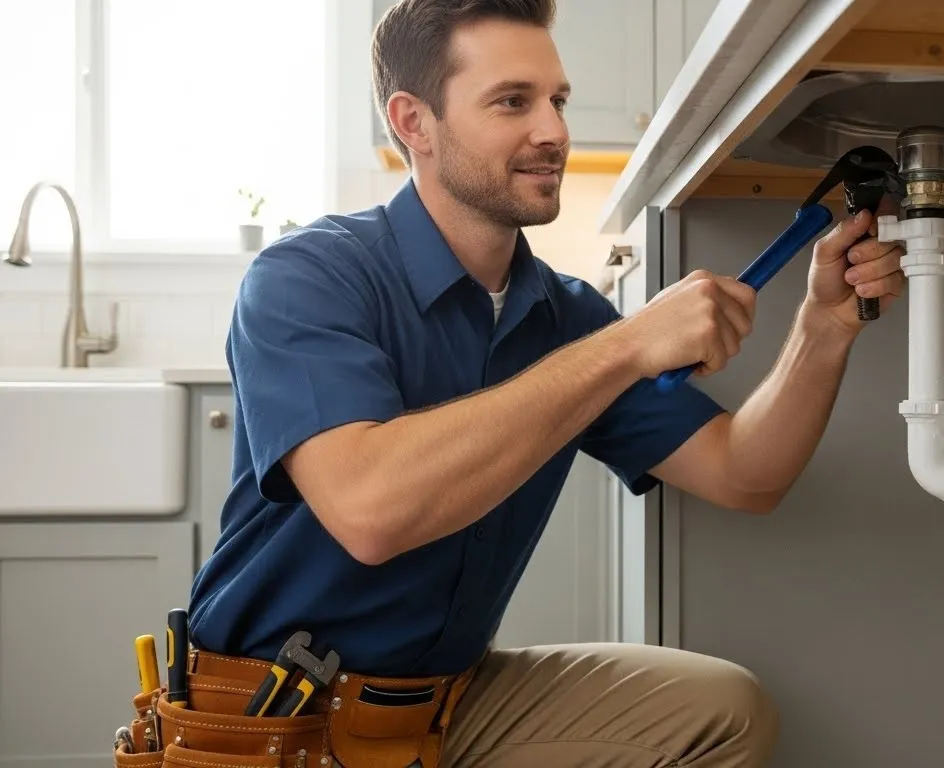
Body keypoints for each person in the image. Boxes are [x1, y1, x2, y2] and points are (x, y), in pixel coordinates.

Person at [185, 0, 905, 765]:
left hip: (448, 704)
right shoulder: (308, 278)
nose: (554, 131)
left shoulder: (562, 316)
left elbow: (745, 474)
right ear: (414, 122)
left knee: (721, 712)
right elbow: (372, 512)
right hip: (279, 721)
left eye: (556, 100)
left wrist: (823, 329)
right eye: (511, 101)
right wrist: (624, 346)